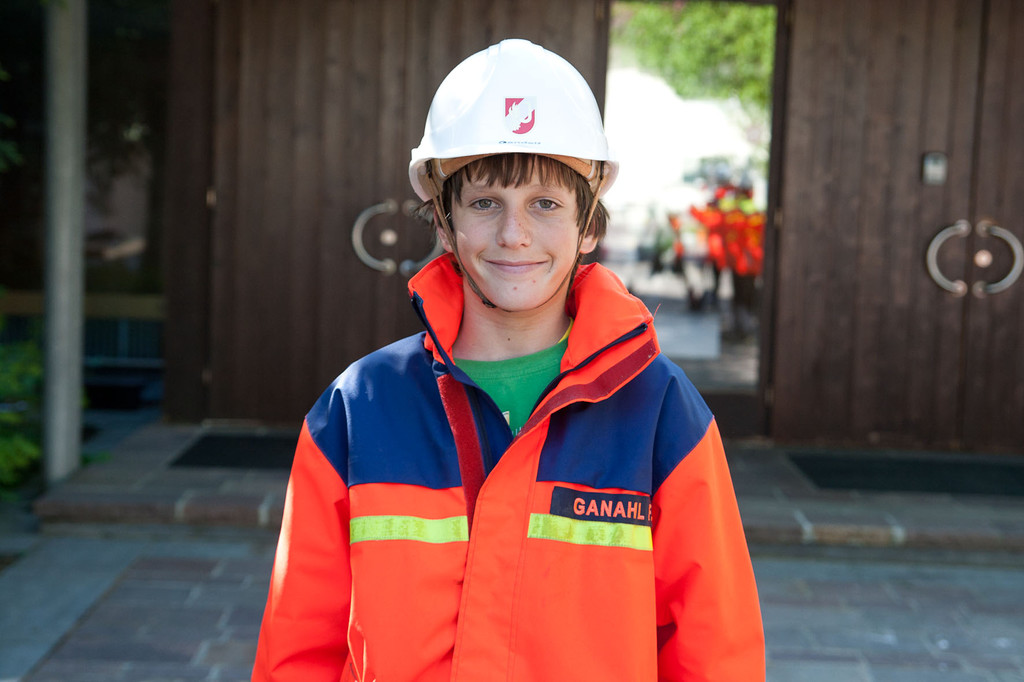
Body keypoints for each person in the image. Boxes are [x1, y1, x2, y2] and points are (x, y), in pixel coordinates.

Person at [251, 38, 764, 681]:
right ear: (444, 223)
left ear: (588, 226)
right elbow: (298, 651)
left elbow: (716, 650)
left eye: (545, 204)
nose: (513, 234)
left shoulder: (659, 409)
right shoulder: (359, 408)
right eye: (485, 203)